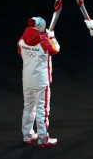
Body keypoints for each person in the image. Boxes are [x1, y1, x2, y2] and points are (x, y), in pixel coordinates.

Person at [17, 17, 60, 147]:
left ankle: (27, 135)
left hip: (27, 80)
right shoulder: (44, 41)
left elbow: (21, 53)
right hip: (41, 82)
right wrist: (51, 37)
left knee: (28, 108)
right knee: (42, 110)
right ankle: (43, 139)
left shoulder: (21, 40)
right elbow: (55, 50)